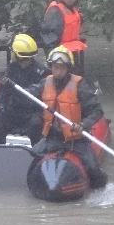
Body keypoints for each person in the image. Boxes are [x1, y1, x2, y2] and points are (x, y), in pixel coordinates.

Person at [19, 45, 107, 189]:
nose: (57, 71)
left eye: (60, 67)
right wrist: (12, 87)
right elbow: (29, 93)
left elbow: (96, 111)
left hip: (76, 140)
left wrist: (83, 125)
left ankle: (98, 189)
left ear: (67, 68)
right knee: (32, 157)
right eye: (54, 67)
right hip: (53, 138)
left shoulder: (80, 85)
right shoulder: (45, 82)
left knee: (93, 169)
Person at [0, 33, 48, 144]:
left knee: (36, 124)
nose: (25, 63)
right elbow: (2, 93)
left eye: (28, 59)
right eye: (23, 59)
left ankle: (35, 154)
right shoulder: (10, 70)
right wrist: (0, 106)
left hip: (32, 112)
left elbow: (37, 95)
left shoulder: (42, 73)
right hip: (13, 111)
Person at [41, 0, 87, 75]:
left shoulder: (73, 9)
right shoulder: (55, 11)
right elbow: (49, 42)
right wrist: (57, 66)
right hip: (61, 62)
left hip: (74, 59)